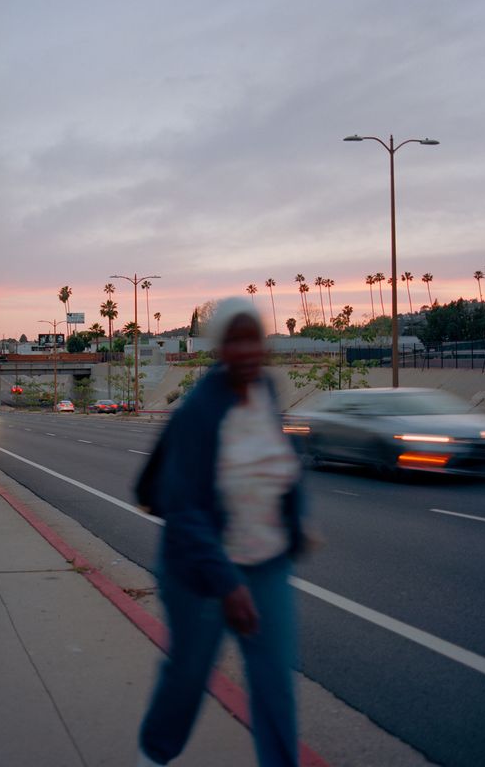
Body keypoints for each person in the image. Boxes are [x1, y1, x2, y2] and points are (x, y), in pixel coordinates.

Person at [136, 297, 308, 767]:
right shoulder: (199, 411)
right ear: (218, 348)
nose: (247, 350)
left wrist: (295, 523)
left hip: (266, 564)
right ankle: (153, 756)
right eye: (235, 340)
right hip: (200, 573)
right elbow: (186, 508)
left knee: (275, 687)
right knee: (188, 678)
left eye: (254, 337)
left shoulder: (267, 392)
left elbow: (282, 464)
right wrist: (227, 585)